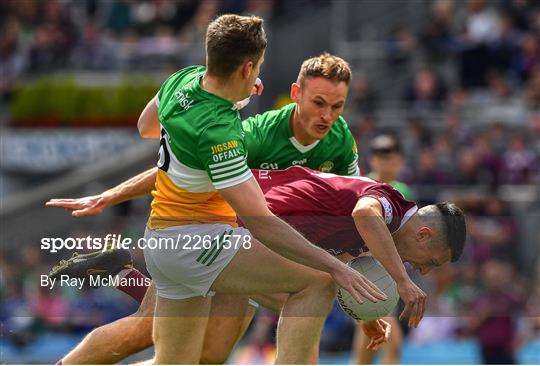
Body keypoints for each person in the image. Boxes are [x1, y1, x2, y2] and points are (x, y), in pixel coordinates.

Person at [49, 14, 389, 364]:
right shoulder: (225, 133)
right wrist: (338, 269)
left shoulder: (182, 81)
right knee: (317, 282)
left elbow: (146, 126)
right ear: (247, 68)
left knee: (197, 358)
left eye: (336, 106)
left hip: (170, 237)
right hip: (204, 242)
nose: (327, 114)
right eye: (256, 70)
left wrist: (229, 101)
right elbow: (262, 222)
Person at [47, 166, 466, 364]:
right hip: (224, 226)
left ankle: (120, 271)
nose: (423, 271)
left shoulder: (376, 233)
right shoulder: (390, 204)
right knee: (317, 284)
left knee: (200, 355)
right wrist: (401, 282)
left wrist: (363, 315)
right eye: (431, 263)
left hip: (230, 238)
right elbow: (364, 215)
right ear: (426, 235)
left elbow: (334, 259)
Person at [354, 134, 413, 364]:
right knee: (391, 340)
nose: (386, 163)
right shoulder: (363, 187)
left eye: (391, 158)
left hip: (389, 275)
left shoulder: (404, 191)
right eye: (381, 157)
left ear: (399, 161)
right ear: (373, 160)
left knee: (368, 347)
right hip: (364, 273)